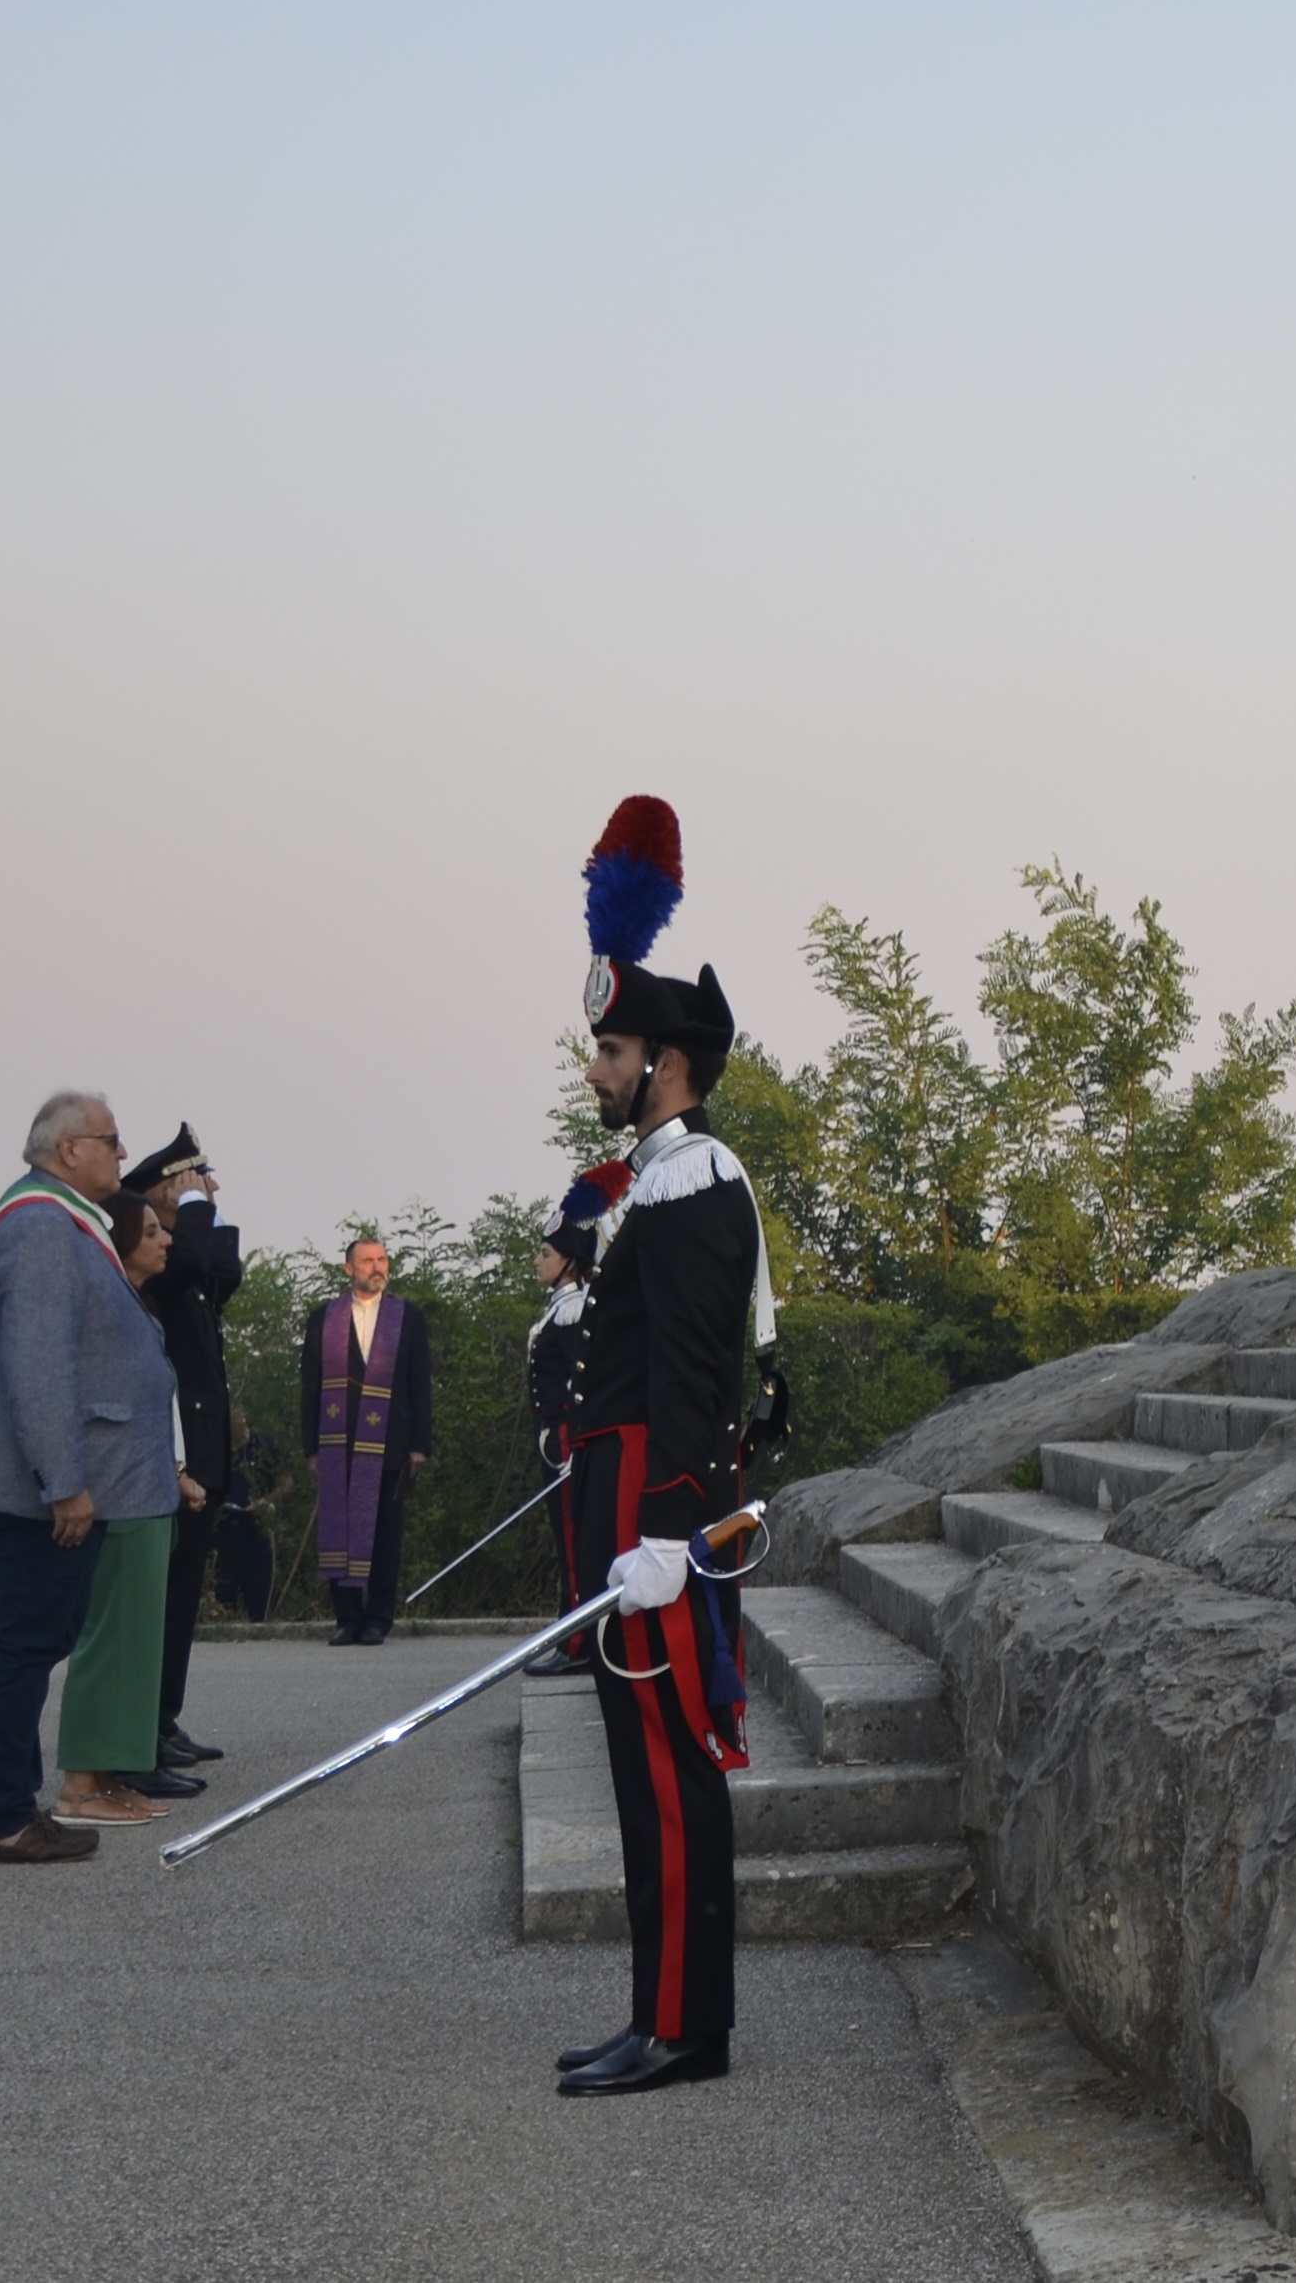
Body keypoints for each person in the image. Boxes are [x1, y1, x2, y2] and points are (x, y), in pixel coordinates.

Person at [556, 790, 766, 2097]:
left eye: (613, 1050)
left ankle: (687, 2026)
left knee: (673, 1773)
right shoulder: (654, 1182)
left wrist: (665, 1537)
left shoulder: (693, 1183)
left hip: (658, 1520)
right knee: (641, 1776)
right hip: (625, 1512)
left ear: (666, 1066)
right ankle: (659, 2009)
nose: (597, 1070)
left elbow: (692, 1377)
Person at [0, 1091, 175, 1863]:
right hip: (39, 1487)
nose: (120, 1151)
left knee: (30, 1640)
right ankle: (3, 1815)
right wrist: (65, 1482)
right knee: (21, 1644)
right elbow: (38, 1367)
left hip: (47, 1480)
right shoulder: (43, 1226)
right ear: (68, 1149)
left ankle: (7, 1806)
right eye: (110, 1140)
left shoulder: (58, 1219)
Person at [57, 1189, 206, 1818]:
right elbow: (86, 1399)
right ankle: (80, 1787)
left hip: (146, 1491)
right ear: (119, 1239)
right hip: (116, 1493)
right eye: (150, 1231)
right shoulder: (105, 1301)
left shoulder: (135, 1303)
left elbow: (146, 1404)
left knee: (137, 1643)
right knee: (109, 1641)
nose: (166, 1239)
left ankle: (111, 1775)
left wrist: (173, 1474)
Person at [127, 1127, 242, 1770]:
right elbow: (198, 1260)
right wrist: (191, 1208)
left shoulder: (188, 1259)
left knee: (182, 1598)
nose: (213, 1191)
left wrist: (202, 1209)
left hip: (202, 1451)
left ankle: (163, 1716)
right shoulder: (154, 1267)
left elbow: (225, 1269)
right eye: (199, 1181)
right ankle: (143, 1724)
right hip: (171, 1460)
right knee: (160, 1600)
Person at [516, 1163, 625, 1682]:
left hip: (565, 1439)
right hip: (551, 1439)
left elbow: (585, 1380)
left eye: (546, 1253)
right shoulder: (558, 1306)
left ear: (569, 1262)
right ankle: (570, 1631)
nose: (537, 1260)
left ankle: (579, 1639)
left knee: (576, 1541)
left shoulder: (574, 1308)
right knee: (566, 1541)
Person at [309, 1234, 434, 1645]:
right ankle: (347, 1618)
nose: (377, 1267)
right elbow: (309, 1385)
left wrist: (420, 1444)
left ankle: (379, 1617)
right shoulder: (324, 1318)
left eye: (382, 1260)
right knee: (339, 1527)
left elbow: (420, 1384)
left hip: (390, 1439)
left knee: (385, 1531)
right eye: (367, 1261)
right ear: (349, 1269)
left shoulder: (408, 1317)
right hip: (337, 1439)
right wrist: (311, 1445)